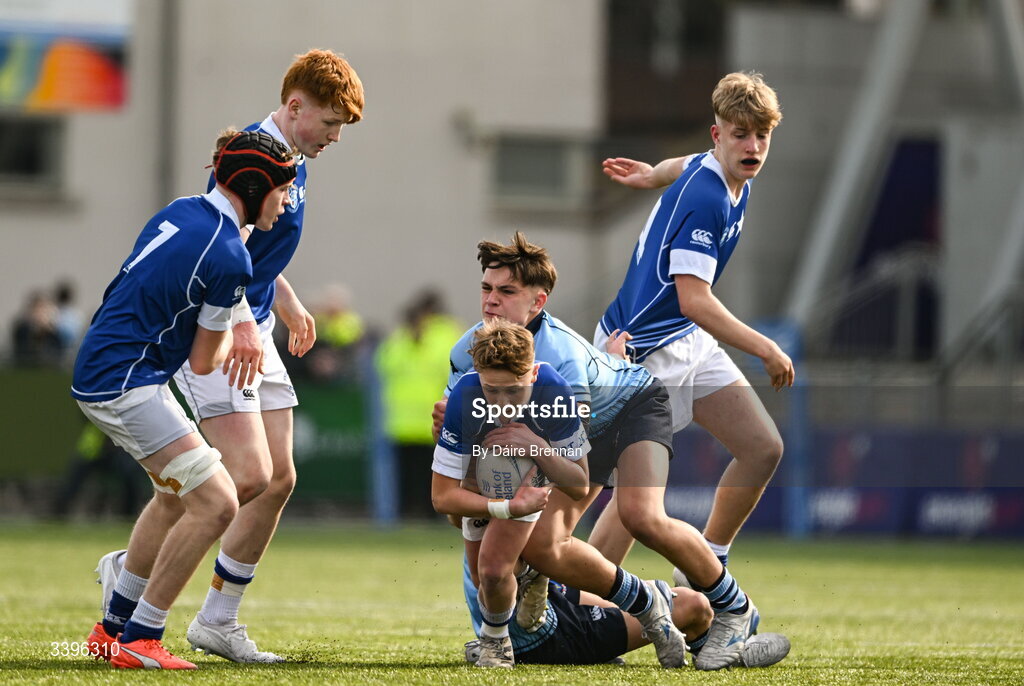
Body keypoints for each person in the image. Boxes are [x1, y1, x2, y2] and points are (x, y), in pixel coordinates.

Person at [94, 49, 365, 664]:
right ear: (295, 107)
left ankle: (216, 620)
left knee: (278, 480)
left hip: (258, 323)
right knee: (236, 479)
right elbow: (220, 247)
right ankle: (132, 582)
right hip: (221, 333)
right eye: (329, 123)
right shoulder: (251, 152)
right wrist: (243, 322)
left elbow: (257, 249)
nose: (334, 137)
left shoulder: (296, 157)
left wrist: (286, 301)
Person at [432, 233, 788, 670]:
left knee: (641, 516)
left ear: (538, 302)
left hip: (633, 407)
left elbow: (563, 460)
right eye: (487, 289)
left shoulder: (558, 358)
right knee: (541, 543)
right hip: (574, 434)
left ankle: (734, 607)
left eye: (507, 292)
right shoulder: (469, 350)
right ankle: (510, 625)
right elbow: (469, 449)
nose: (491, 301)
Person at [74, 129, 297, 669]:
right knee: (218, 501)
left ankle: (110, 628)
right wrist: (238, 333)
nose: (286, 202)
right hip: (126, 382)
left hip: (109, 367)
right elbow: (202, 362)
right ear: (253, 185)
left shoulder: (183, 209)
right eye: (282, 190)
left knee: (175, 495)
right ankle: (142, 636)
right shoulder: (228, 257)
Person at [593, 72, 791, 615]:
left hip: (685, 342)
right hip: (638, 352)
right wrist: (765, 347)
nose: (752, 147)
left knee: (762, 447)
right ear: (718, 133)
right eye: (740, 134)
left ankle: (705, 561)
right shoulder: (708, 197)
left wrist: (652, 174)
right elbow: (694, 300)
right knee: (630, 503)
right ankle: (581, 601)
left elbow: (684, 163)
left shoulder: (723, 171)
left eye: (761, 136)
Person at [430, 319, 590, 667]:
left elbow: (579, 484)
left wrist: (536, 447)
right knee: (483, 580)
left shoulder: (555, 391)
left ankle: (495, 643)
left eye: (514, 391)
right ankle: (531, 570)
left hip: (532, 476)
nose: (502, 403)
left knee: (492, 569)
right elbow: (442, 498)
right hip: (484, 484)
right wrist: (506, 507)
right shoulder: (464, 396)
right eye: (492, 390)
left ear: (532, 374)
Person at [461, 556, 789, 668]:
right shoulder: (522, 465)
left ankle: (718, 632)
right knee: (694, 605)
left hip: (545, 601)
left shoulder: (484, 472)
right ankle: (729, 647)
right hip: (542, 631)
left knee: (652, 592)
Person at [376, 290, 462, 517]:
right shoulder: (402, 337)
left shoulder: (446, 335)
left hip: (433, 418)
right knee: (405, 473)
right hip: (403, 421)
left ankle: (430, 513)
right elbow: (385, 363)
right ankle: (405, 512)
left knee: (432, 471)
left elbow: (449, 368)